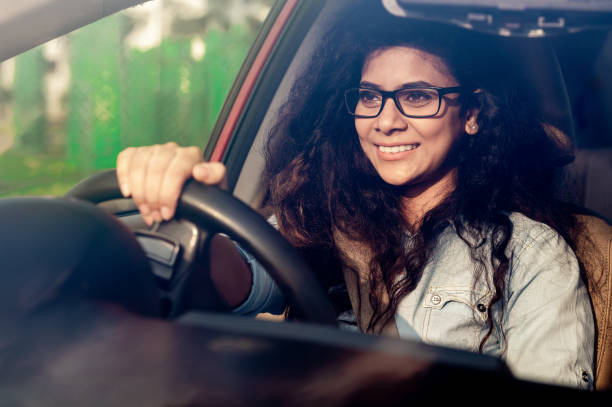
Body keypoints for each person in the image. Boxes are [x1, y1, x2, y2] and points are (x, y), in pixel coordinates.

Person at [116, 9, 594, 389]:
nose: (385, 120)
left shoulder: (531, 254)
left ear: (470, 114)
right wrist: (176, 204)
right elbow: (234, 274)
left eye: (418, 96)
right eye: (370, 97)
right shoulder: (321, 214)